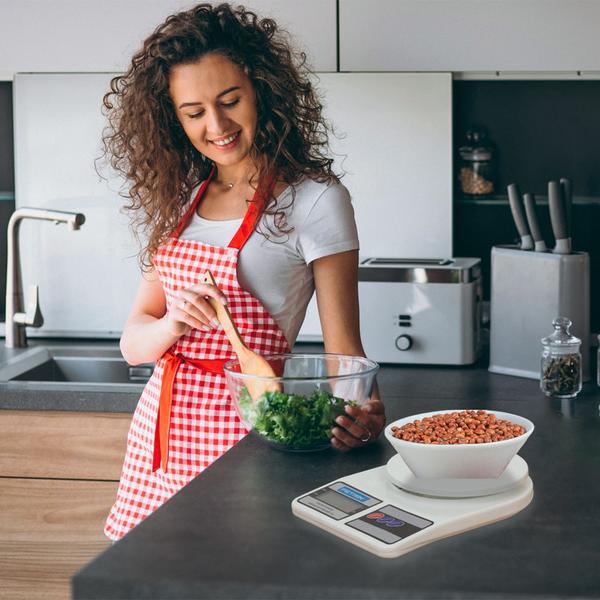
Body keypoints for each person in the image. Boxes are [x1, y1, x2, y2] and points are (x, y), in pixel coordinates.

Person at [102, 2, 385, 541]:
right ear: (172, 118)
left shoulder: (315, 200)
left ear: (261, 89)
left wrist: (363, 413)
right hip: (160, 437)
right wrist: (172, 328)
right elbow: (133, 344)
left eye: (230, 100)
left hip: (253, 430)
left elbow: (345, 357)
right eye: (194, 112)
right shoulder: (181, 197)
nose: (217, 125)